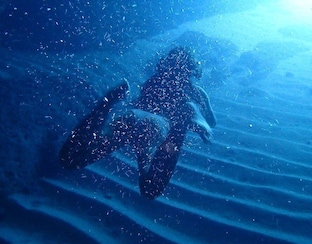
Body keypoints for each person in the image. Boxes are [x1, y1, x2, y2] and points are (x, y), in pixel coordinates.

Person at [59, 47, 216, 199]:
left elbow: (142, 104)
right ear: (192, 68)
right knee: (150, 190)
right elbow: (212, 121)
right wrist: (199, 116)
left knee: (72, 160)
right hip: (156, 128)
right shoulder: (196, 91)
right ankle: (181, 123)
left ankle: (109, 101)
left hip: (131, 119)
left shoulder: (154, 79)